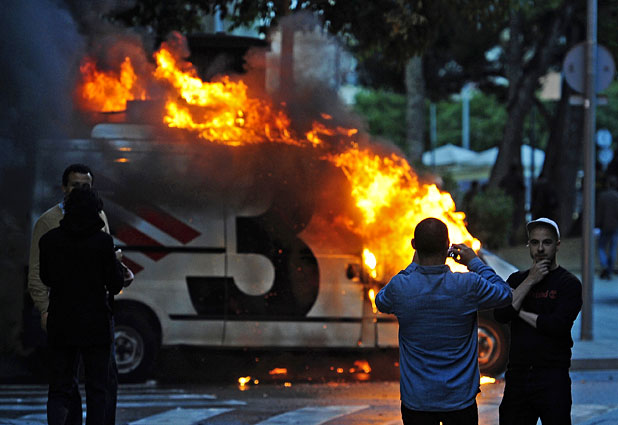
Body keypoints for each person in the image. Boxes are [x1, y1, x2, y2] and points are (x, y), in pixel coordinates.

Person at [375, 217, 513, 425]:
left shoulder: (400, 286)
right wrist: (474, 262)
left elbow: (381, 302)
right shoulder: (468, 284)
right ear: (448, 246)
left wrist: (412, 266)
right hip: (460, 401)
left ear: (414, 245)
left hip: (417, 402)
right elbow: (505, 293)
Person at [28, 163, 126, 425]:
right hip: (94, 318)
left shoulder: (53, 238)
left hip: (64, 317)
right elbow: (109, 274)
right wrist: (43, 308)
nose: (81, 190)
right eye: (76, 185)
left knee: (64, 386)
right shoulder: (48, 223)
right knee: (93, 387)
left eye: (85, 186)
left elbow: (46, 275)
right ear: (64, 188)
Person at [494, 217, 582, 425]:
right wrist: (531, 280)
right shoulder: (517, 280)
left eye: (547, 242)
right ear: (529, 245)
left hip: (552, 376)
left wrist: (519, 311)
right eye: (535, 242)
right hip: (518, 376)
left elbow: (556, 326)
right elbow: (501, 314)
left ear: (557, 245)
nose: (540, 249)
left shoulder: (568, 283)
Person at [596, 175, 618, 279]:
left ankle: (604, 265)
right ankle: (609, 268)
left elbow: (600, 212)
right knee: (613, 247)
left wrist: (597, 224)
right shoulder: (616, 196)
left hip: (605, 225)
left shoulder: (603, 196)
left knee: (601, 246)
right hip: (615, 225)